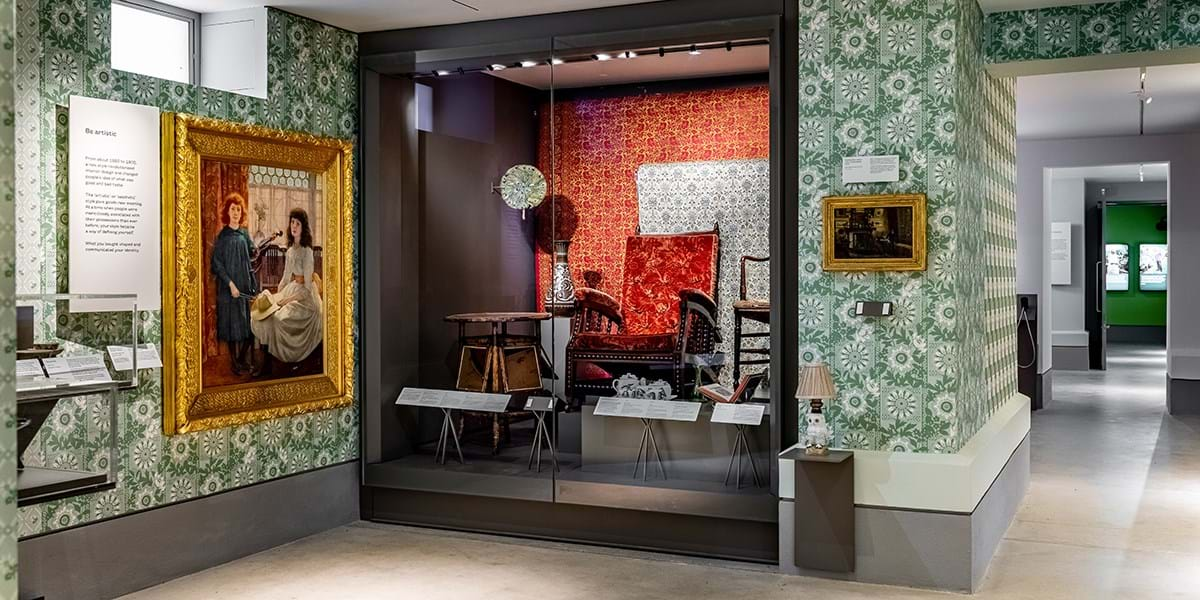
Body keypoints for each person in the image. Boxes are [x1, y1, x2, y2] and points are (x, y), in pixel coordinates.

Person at [251, 207, 323, 375]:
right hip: (293, 289)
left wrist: (286, 300)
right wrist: (278, 293)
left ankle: (283, 361)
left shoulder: (307, 253)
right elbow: (285, 275)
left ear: (303, 228)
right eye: (292, 222)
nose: (294, 226)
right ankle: (268, 361)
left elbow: (305, 290)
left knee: (278, 318)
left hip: (306, 300)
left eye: (298, 223)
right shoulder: (290, 250)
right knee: (267, 311)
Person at [210, 192, 259, 375]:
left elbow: (251, 254)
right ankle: (234, 362)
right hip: (228, 288)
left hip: (243, 286)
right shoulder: (223, 236)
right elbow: (217, 263)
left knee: (247, 327)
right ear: (227, 212)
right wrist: (230, 284)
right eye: (233, 209)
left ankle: (240, 360)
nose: (236, 213)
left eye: (239, 209)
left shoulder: (244, 234)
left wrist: (256, 250)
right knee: (231, 327)